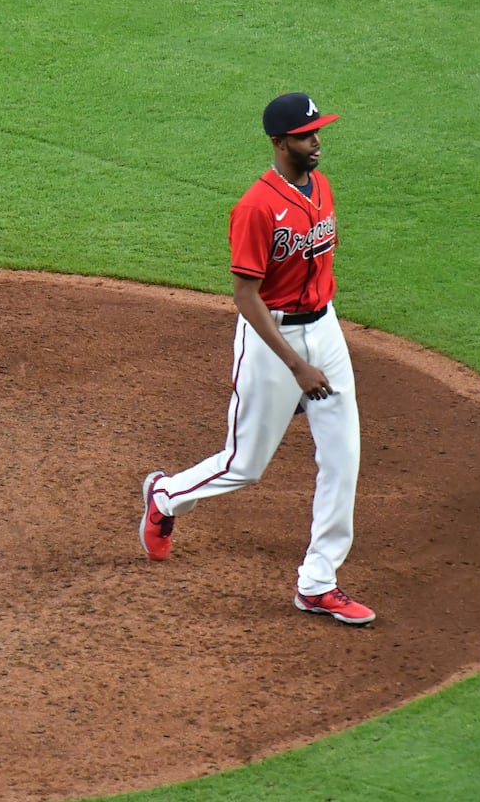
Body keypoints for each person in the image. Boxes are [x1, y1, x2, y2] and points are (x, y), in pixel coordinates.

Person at [140, 92, 373, 625]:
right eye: (306, 135)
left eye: (318, 132)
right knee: (245, 465)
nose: (317, 142)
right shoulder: (255, 208)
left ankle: (318, 582)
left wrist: (317, 354)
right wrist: (295, 369)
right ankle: (166, 495)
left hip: (325, 330)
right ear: (279, 141)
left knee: (343, 460)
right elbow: (247, 297)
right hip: (273, 340)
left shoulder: (322, 187)